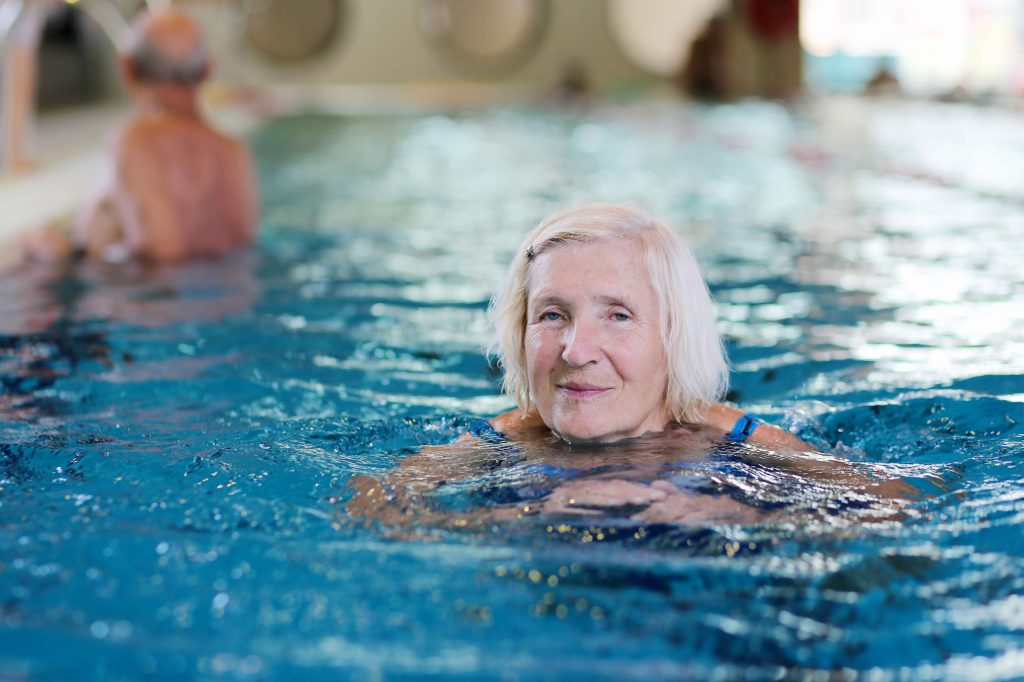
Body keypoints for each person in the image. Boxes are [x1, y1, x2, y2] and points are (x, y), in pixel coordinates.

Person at [348, 204, 918, 530]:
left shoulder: (742, 442)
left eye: (618, 316)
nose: (575, 350)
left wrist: (711, 511)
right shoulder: (502, 440)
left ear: (673, 336)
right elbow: (368, 508)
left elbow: (897, 506)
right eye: (551, 315)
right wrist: (522, 520)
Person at [17, 7, 258, 265]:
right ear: (209, 69)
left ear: (127, 68)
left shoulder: (134, 142)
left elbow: (163, 258)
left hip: (160, 297)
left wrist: (58, 258)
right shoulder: (234, 152)